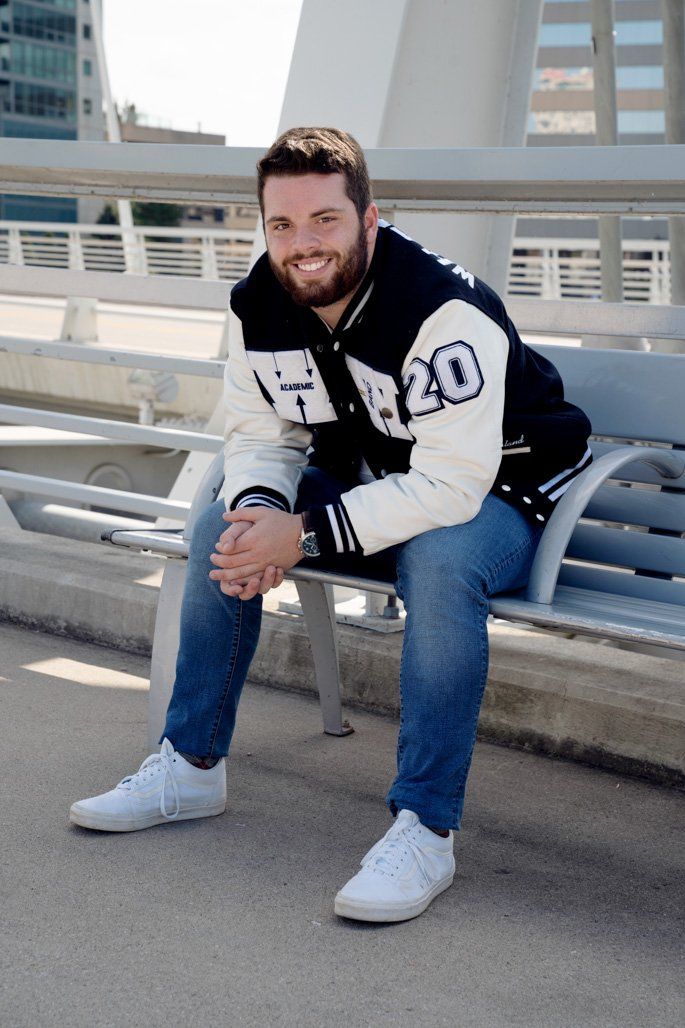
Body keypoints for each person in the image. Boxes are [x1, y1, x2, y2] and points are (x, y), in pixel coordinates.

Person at [70, 127, 591, 923]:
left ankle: (425, 828)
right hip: (377, 478)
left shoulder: (442, 310)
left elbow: (450, 485)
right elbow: (262, 435)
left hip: (501, 490)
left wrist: (304, 534)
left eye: (324, 220)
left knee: (440, 563)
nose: (302, 244)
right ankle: (191, 767)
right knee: (220, 529)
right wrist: (261, 514)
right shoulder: (260, 302)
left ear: (368, 220)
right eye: (282, 224)